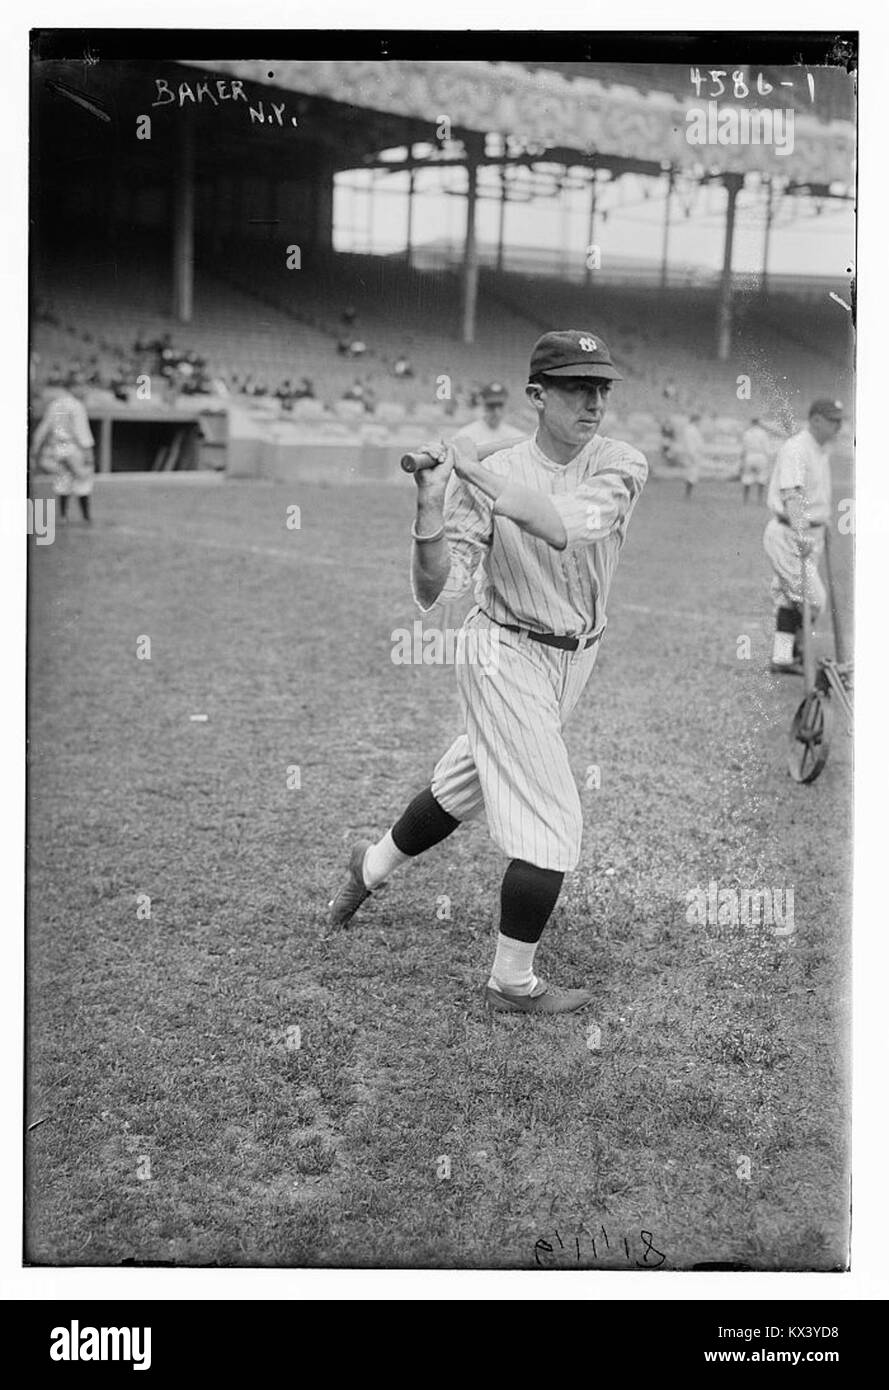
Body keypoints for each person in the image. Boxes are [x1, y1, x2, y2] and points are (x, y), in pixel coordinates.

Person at [328, 330, 648, 1015]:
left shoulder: (620, 462)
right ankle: (511, 980)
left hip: (575, 654)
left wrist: (471, 468)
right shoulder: (494, 469)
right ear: (537, 396)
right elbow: (437, 590)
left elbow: (563, 523)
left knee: (467, 776)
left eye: (600, 388)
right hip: (501, 649)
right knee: (551, 818)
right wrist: (428, 504)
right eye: (574, 388)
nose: (592, 401)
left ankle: (370, 864)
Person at [763, 398, 843, 675]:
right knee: (814, 600)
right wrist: (801, 532)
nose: (839, 425)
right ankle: (791, 653)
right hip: (790, 533)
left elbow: (815, 495)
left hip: (811, 533)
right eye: (833, 419)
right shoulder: (796, 448)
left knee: (789, 599)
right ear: (816, 419)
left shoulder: (821, 450)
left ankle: (784, 658)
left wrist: (824, 523)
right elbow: (792, 495)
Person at [30, 377, 96, 524]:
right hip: (74, 448)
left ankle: (63, 517)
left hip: (58, 448)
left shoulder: (55, 404)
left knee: (63, 482)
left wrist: (35, 447)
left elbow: (43, 428)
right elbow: (82, 432)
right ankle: (86, 517)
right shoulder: (76, 405)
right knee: (83, 482)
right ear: (72, 387)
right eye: (81, 386)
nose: (83, 389)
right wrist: (89, 455)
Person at [453, 382, 522, 452]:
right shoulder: (465, 435)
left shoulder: (517, 436)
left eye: (500, 405)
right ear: (483, 404)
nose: (496, 411)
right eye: (492, 406)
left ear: (506, 405)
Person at [740, 417, 772, 505]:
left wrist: (742, 460)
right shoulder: (763, 433)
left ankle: (745, 500)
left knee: (747, 478)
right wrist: (768, 459)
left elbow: (744, 448)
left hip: (750, 456)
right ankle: (760, 500)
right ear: (758, 423)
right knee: (761, 478)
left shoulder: (747, 433)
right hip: (761, 456)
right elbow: (767, 448)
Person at [676, 412, 704, 499]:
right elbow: (690, 444)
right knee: (691, 475)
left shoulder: (693, 429)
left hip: (694, 454)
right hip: (692, 455)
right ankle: (688, 494)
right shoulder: (690, 430)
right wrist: (692, 455)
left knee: (693, 475)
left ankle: (688, 493)